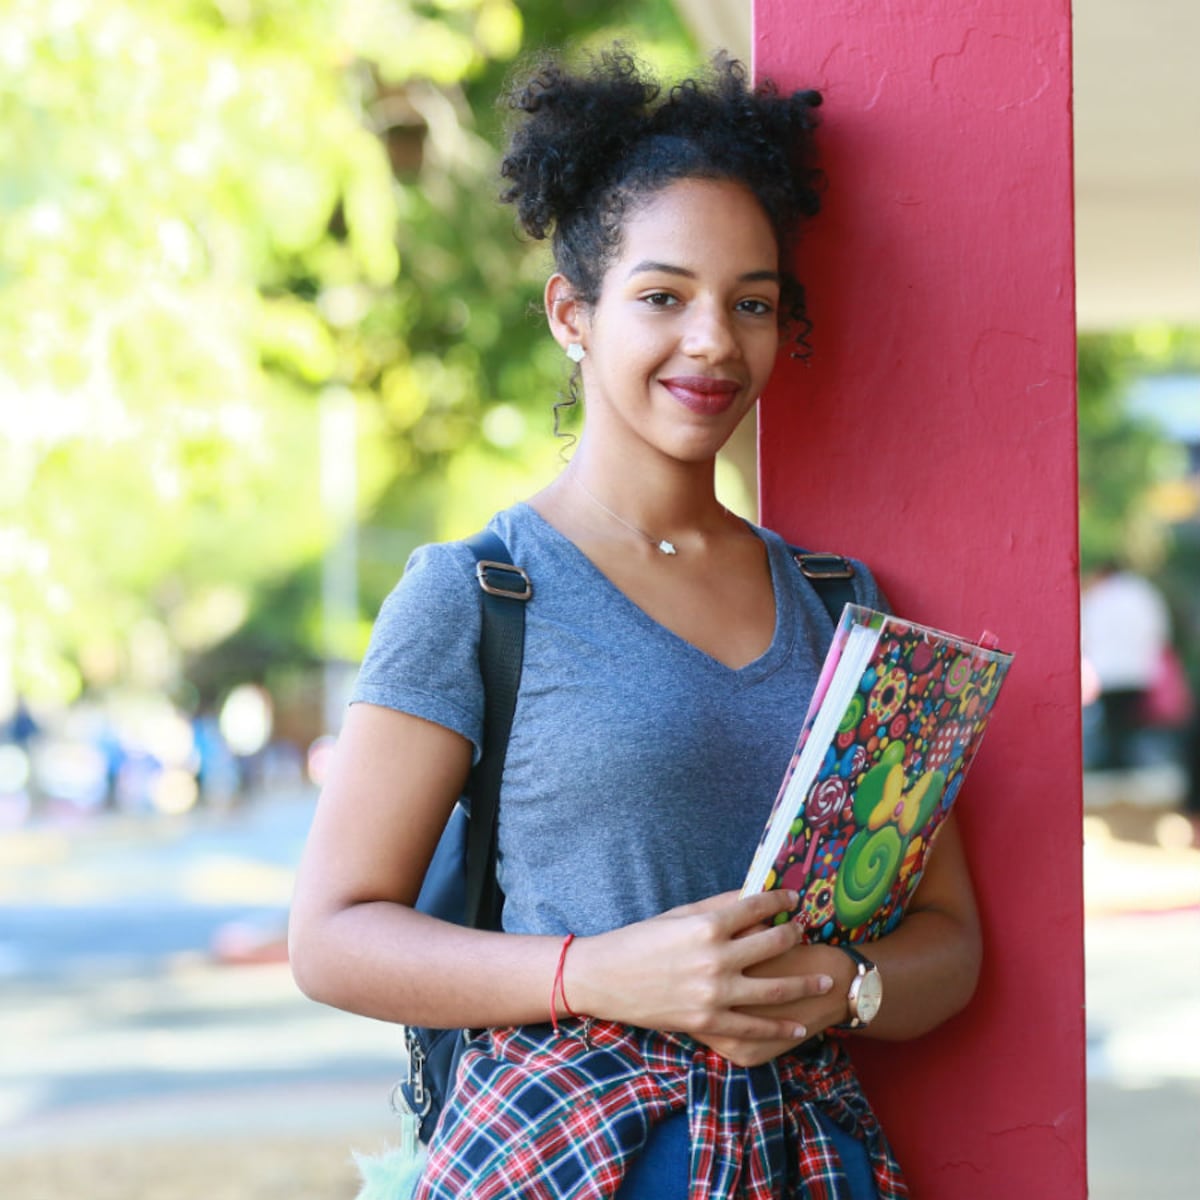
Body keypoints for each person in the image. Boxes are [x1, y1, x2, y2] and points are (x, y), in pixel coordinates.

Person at [288, 48, 981, 1200]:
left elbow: (951, 941)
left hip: (804, 1158)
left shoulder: (838, 602)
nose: (713, 341)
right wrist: (598, 972)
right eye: (663, 296)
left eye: (751, 304)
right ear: (574, 312)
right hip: (568, 1155)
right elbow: (331, 936)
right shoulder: (475, 593)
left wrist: (843, 987)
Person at [1080, 561, 1171, 770]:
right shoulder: (1142, 592)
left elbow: (1085, 634)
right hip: (1137, 671)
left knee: (1111, 724)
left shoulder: (1097, 596)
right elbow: (1159, 630)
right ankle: (1128, 765)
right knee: (1130, 724)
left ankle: (1114, 765)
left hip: (1106, 672)